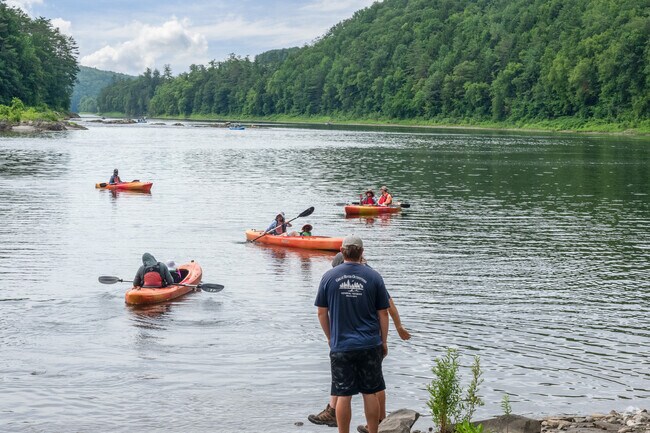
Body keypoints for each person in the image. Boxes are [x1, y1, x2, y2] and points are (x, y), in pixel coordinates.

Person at [309, 253, 411, 430]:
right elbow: (386, 309)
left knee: (363, 387)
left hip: (356, 340)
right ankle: (337, 412)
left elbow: (388, 306)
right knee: (370, 385)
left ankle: (378, 420)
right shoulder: (371, 275)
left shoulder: (366, 275)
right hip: (369, 341)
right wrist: (395, 330)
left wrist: (398, 327)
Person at [315, 235, 390, 433]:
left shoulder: (329, 277)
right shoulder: (374, 276)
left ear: (342, 250)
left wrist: (331, 338)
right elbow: (383, 312)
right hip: (369, 344)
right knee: (370, 392)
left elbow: (321, 312)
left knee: (343, 394)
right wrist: (384, 341)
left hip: (342, 346)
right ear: (362, 252)